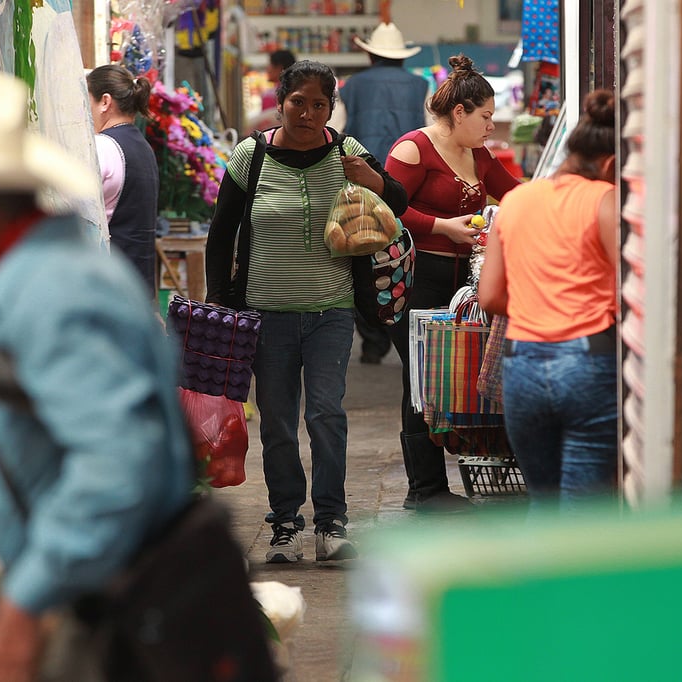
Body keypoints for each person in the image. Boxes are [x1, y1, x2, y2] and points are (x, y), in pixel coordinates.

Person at [0, 67, 274, 681]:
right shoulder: (44, 277)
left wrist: (21, 610)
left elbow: (117, 467)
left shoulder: (54, 294)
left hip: (119, 621)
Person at [205, 60, 408, 563]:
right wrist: (220, 301)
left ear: (331, 108)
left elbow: (399, 203)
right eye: (299, 102)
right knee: (276, 421)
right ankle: (285, 524)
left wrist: (372, 180)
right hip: (265, 314)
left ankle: (331, 523)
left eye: (319, 104)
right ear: (281, 102)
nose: (308, 113)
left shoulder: (346, 151)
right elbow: (220, 235)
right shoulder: (251, 156)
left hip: (331, 311)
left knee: (325, 414)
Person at [384, 54, 521, 512]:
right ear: (459, 112)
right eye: (485, 117)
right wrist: (443, 227)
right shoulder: (413, 149)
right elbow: (386, 209)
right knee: (419, 378)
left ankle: (436, 485)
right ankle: (424, 490)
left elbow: (516, 193)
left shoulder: (478, 155)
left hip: (462, 282)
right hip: (416, 279)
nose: (491, 126)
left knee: (447, 376)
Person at [478, 89, 620, 506]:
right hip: (587, 362)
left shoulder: (516, 200)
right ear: (610, 164)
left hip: (522, 365)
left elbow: (490, 296)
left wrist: (538, 303)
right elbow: (630, 289)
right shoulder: (605, 200)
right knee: (582, 512)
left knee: (543, 504)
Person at [340, 21, 429, 365]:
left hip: (364, 180)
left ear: (370, 55)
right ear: (402, 56)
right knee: (401, 252)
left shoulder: (352, 86)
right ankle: (402, 330)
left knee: (363, 254)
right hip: (407, 183)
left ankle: (373, 340)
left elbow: (336, 128)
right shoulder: (421, 85)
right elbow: (430, 130)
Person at [86, 64, 160, 299]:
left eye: (87, 100)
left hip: (109, 288)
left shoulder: (102, 147)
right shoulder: (143, 148)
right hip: (138, 285)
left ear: (105, 102)